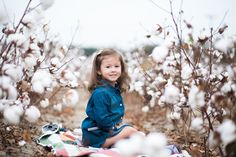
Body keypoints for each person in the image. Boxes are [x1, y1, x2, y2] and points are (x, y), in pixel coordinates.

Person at [81, 48, 139, 148]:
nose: (113, 70)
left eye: (116, 66)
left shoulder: (113, 89)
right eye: (108, 67)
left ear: (121, 68)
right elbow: (102, 119)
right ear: (99, 70)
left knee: (136, 135)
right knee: (131, 131)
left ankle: (118, 142)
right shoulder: (101, 93)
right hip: (96, 136)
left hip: (103, 132)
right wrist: (116, 129)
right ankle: (107, 144)